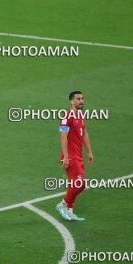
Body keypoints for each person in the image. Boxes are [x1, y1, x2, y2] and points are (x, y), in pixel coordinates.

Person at [55, 91, 93, 221]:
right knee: (80, 183)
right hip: (70, 156)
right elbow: (63, 137)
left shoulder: (80, 116)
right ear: (71, 101)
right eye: (78, 99)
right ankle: (62, 205)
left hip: (78, 155)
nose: (81, 101)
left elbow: (84, 134)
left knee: (74, 183)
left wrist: (89, 152)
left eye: (82, 98)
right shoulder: (66, 117)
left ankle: (70, 212)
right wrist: (65, 156)